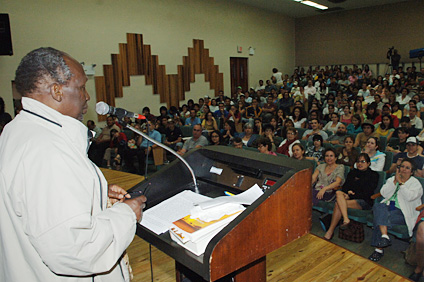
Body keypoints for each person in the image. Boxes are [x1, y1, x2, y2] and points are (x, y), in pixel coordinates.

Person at [0, 47, 146, 281]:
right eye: (81, 87)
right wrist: (126, 213)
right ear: (57, 91)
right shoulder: (47, 148)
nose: (87, 96)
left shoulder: (17, 131)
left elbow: (35, 202)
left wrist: (93, 194)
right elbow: (75, 250)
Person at [368, 159, 422, 262]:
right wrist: (394, 182)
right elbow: (383, 192)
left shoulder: (416, 184)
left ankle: (378, 250)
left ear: (412, 172)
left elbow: (410, 197)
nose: (404, 169)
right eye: (402, 166)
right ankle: (384, 237)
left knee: (380, 218)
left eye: (407, 168)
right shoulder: (392, 179)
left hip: (403, 212)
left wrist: (401, 183)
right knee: (378, 206)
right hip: (389, 206)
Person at [323, 153, 379, 240]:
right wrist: (347, 193)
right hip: (350, 198)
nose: (360, 163)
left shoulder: (373, 175)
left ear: (368, 163)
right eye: (358, 161)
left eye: (363, 161)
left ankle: (330, 231)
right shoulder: (352, 172)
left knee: (338, 204)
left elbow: (367, 192)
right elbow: (345, 187)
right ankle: (346, 219)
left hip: (364, 201)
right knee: (338, 193)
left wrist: (351, 195)